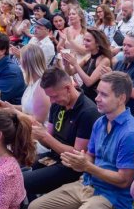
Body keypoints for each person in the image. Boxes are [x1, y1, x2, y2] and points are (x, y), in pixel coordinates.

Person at [27, 72, 134, 209]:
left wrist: (86, 166)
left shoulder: (130, 134)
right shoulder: (101, 121)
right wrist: (80, 159)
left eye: (104, 95)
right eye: (98, 93)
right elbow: (90, 155)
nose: (97, 98)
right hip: (87, 184)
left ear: (121, 98)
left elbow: (123, 181)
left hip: (110, 198)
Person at [24, 68, 100, 199]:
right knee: (16, 170)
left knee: (22, 181)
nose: (52, 101)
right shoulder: (57, 105)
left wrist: (45, 136)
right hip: (53, 157)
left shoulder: (88, 111)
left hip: (71, 167)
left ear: (68, 88)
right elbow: (48, 142)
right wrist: (37, 133)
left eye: (54, 96)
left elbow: (76, 154)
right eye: (49, 97)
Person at [62, 28, 112, 101]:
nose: (84, 43)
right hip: (84, 93)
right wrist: (66, 63)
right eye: (84, 40)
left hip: (94, 98)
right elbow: (70, 72)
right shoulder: (88, 56)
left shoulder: (104, 60)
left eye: (88, 40)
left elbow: (89, 82)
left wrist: (75, 64)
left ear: (98, 43)